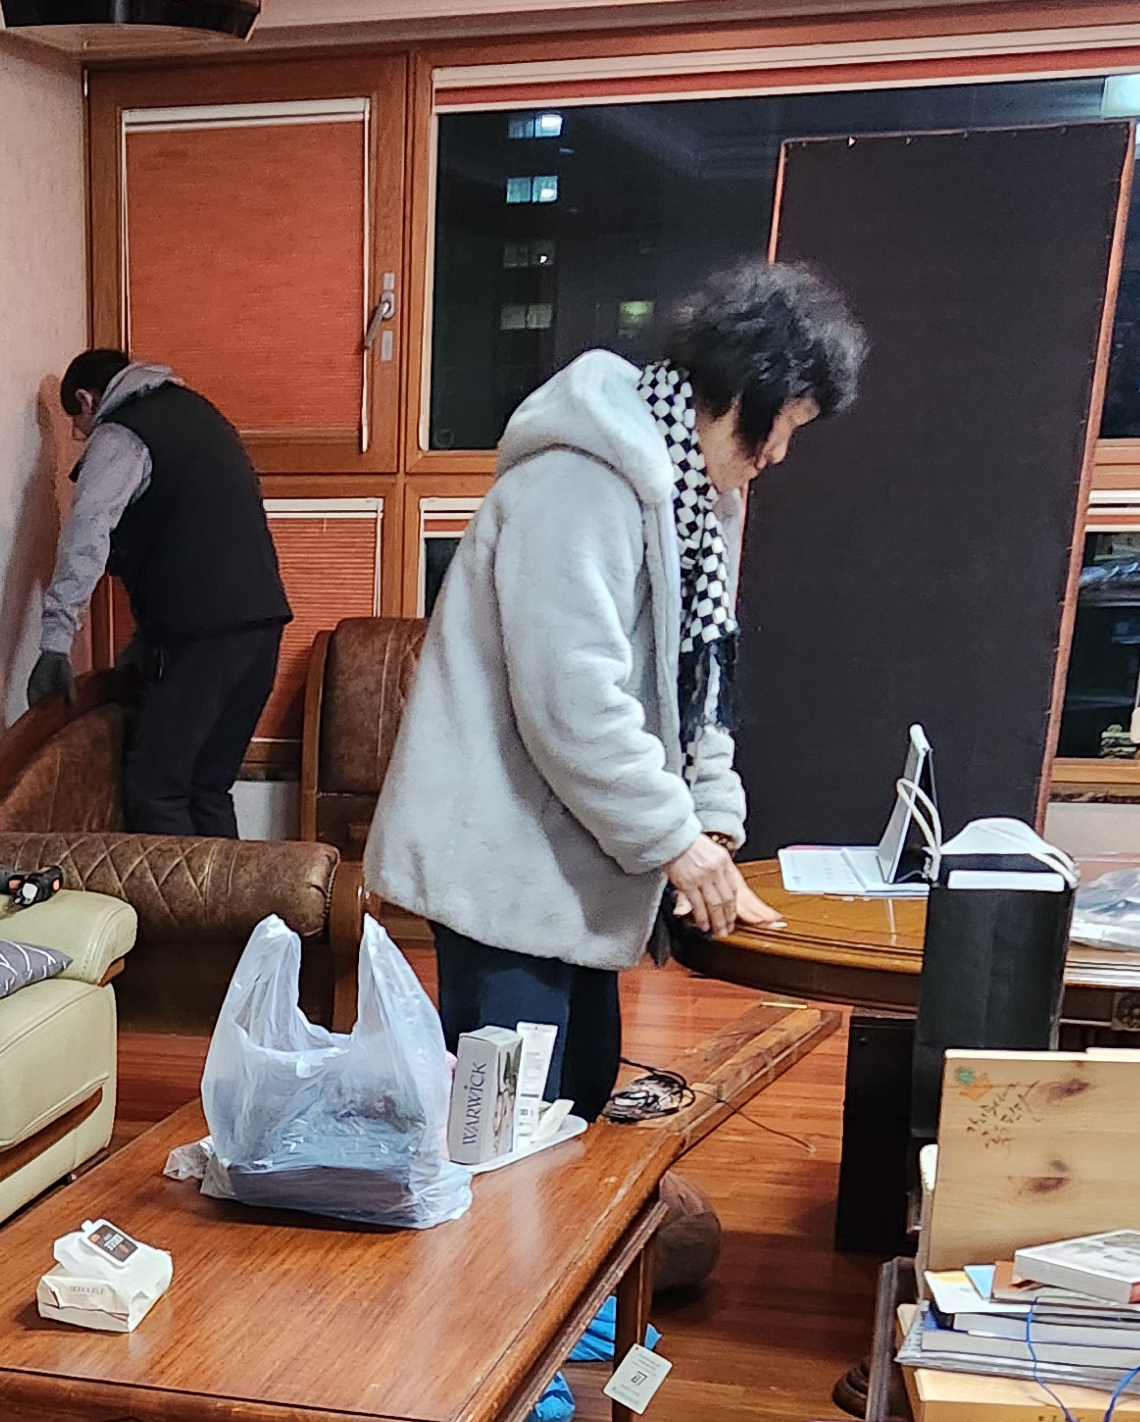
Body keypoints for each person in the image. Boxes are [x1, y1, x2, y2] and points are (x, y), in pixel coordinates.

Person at [366, 258, 864, 1128]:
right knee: (503, 1134)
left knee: (576, 1101)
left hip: (570, 869)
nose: (778, 456)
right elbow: (573, 703)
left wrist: (711, 822)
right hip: (501, 869)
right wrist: (675, 841)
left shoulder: (696, 499)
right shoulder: (579, 481)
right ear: (740, 393)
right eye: (781, 428)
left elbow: (700, 684)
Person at [27, 349, 289, 837]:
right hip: (262, 628)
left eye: (77, 427)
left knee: (156, 789)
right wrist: (146, 645)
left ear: (85, 399)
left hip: (205, 638)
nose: (81, 437)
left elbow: (87, 535)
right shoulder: (200, 414)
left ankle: (172, 894)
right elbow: (193, 533)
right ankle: (230, 893)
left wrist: (54, 641)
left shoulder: (121, 435)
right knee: (208, 787)